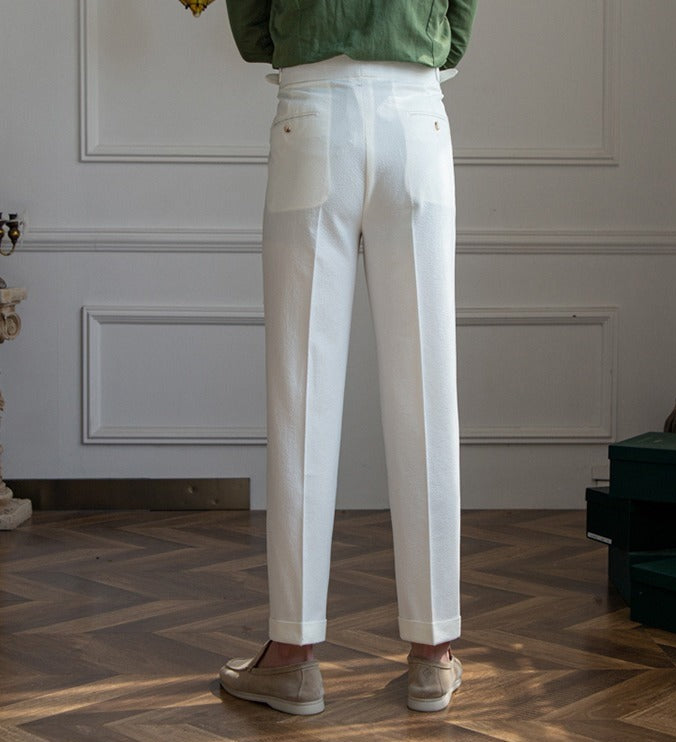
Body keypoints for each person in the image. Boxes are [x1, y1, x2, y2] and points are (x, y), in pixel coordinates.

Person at [219, 0, 478, 715]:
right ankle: (433, 654)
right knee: (427, 391)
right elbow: (459, 21)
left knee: (300, 394)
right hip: (416, 115)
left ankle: (292, 656)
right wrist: (424, 43)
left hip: (313, 111)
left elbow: (250, 27)